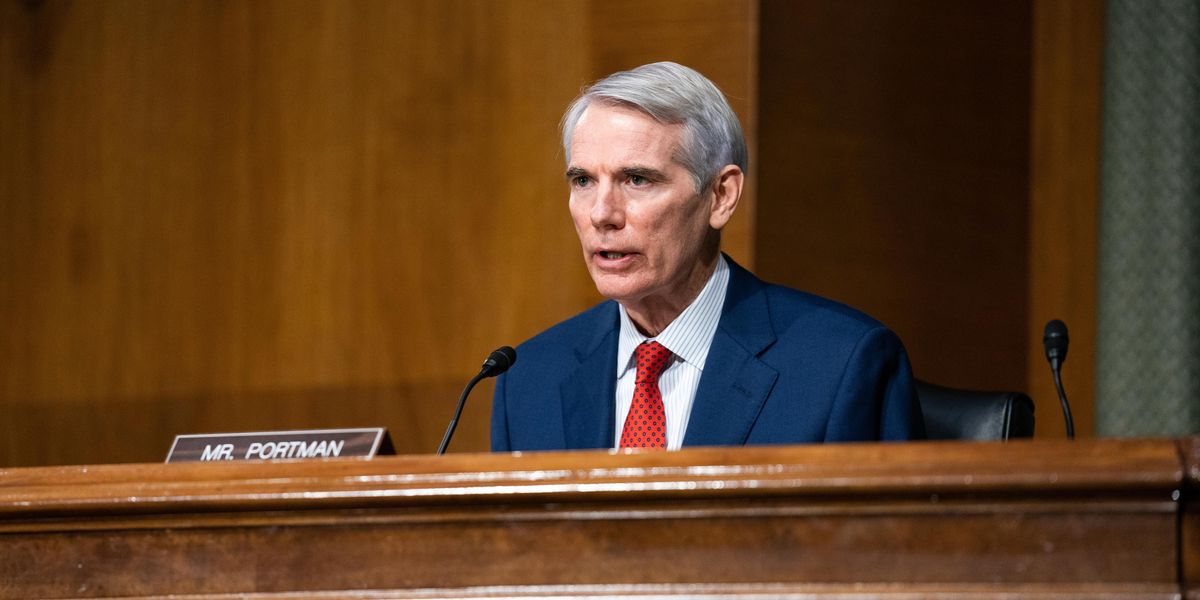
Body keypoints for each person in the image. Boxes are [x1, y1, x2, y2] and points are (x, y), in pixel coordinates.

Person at [491, 62, 924, 452]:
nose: (602, 213)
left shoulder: (840, 366)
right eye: (583, 180)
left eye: (637, 179)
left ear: (721, 196)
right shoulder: (528, 380)